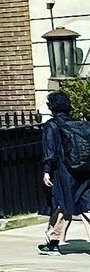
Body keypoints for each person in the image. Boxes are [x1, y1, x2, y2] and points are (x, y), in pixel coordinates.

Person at [39, 89, 90, 254]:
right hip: (83, 172)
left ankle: (53, 242)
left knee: (62, 204)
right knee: (86, 206)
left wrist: (46, 171)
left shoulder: (52, 125)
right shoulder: (78, 125)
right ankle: (53, 240)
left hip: (63, 173)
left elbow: (50, 150)